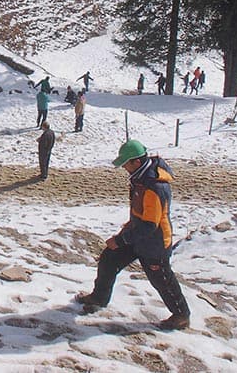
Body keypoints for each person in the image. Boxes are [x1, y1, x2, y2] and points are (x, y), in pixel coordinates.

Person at [75, 139, 191, 330]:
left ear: (136, 162)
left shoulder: (154, 186)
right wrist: (127, 230)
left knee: (162, 280)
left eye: (125, 164)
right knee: (109, 259)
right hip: (137, 234)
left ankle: (181, 315)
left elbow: (149, 225)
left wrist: (121, 240)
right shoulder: (141, 177)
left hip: (154, 243)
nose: (124, 168)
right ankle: (99, 298)